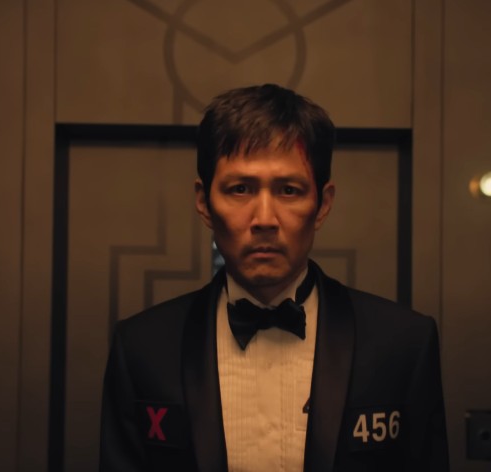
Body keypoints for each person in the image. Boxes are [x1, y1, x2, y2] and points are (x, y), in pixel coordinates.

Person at [99, 84, 449, 471]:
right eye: (240, 189)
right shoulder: (141, 346)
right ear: (204, 203)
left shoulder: (404, 343)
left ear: (322, 204)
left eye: (288, 190)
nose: (264, 219)